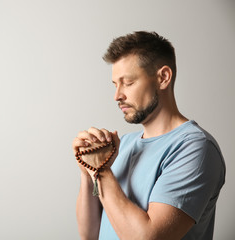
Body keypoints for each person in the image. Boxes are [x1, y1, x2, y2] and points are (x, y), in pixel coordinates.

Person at [72, 31, 226, 240]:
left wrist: (103, 170)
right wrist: (88, 171)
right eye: (115, 85)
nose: (117, 96)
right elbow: (89, 234)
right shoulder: (123, 145)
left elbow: (149, 237)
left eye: (128, 82)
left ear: (163, 78)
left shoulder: (195, 148)